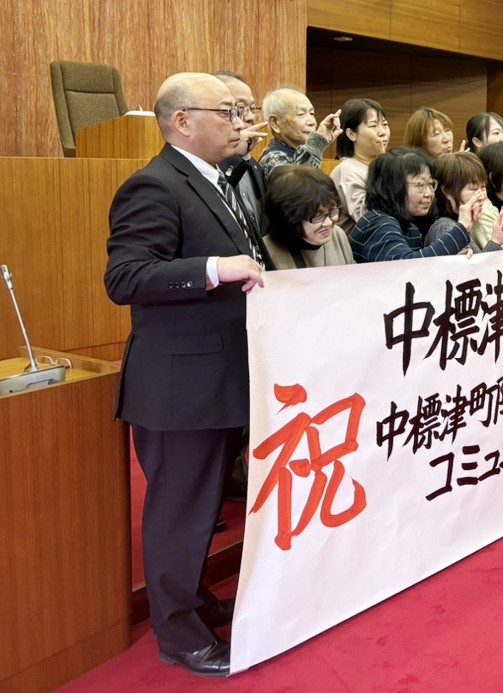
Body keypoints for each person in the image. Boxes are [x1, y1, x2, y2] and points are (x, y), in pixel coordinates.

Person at [104, 72, 265, 677]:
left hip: (218, 379)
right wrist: (213, 268)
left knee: (202, 507)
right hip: (179, 387)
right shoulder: (154, 184)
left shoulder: (219, 180)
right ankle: (178, 636)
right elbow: (125, 277)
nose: (239, 122)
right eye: (227, 112)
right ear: (182, 120)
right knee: (179, 512)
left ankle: (193, 603)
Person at [350, 147, 471, 262]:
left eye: (430, 184)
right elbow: (408, 266)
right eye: (420, 185)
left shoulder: (410, 227)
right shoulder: (378, 224)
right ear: (393, 187)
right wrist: (461, 229)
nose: (429, 193)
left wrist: (453, 259)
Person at [263, 165, 355, 268]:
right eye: (318, 215)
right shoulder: (267, 251)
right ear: (291, 219)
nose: (328, 222)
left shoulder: (337, 235)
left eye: (332, 210)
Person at [214, 72, 270, 239]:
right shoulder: (204, 166)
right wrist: (233, 155)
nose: (250, 117)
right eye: (239, 109)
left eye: (252, 108)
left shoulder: (253, 164)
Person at [427, 151, 503, 252]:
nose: (482, 196)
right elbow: (470, 263)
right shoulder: (445, 228)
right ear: (446, 190)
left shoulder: (471, 223)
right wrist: (495, 243)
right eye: (473, 189)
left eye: (483, 187)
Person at [330, 98, 390, 233]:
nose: (382, 132)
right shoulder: (347, 170)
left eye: (385, 124)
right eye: (373, 126)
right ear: (351, 134)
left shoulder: (381, 166)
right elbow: (367, 218)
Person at [259, 86, 342, 180]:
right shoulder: (273, 158)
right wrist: (316, 144)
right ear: (275, 123)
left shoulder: (295, 150)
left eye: (312, 113)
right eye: (301, 114)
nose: (311, 122)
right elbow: (301, 186)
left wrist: (321, 143)